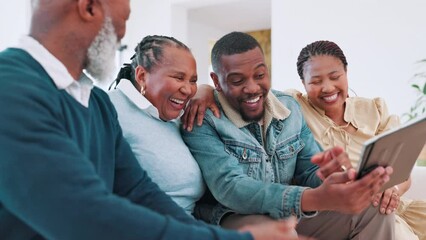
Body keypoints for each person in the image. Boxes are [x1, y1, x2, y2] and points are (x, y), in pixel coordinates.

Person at [0, 1, 302, 239]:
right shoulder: (11, 90)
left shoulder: (97, 103)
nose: (122, 33)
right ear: (89, 6)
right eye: (124, 17)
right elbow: (82, 215)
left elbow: (139, 191)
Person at [181, 31, 395, 240]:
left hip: (290, 211)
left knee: (373, 211)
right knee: (280, 234)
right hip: (233, 216)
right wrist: (309, 198)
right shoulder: (202, 119)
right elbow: (231, 188)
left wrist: (332, 179)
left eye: (260, 75)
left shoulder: (289, 108)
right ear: (216, 82)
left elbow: (310, 170)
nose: (252, 88)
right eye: (237, 81)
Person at [287, 40, 426, 240]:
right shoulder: (295, 108)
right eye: (316, 81)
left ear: (346, 72)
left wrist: (391, 190)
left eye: (335, 77)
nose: (327, 87)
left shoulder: (374, 110)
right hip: (332, 214)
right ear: (303, 83)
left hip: (389, 207)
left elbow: (403, 173)